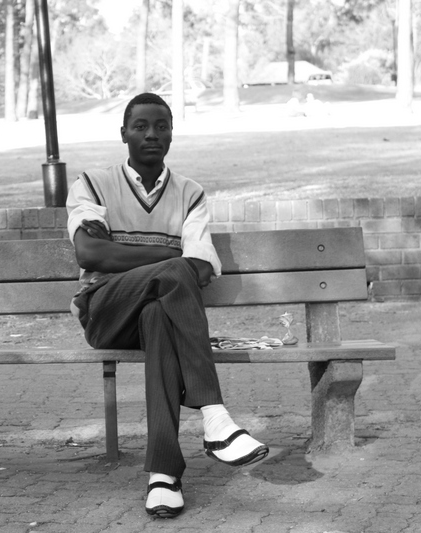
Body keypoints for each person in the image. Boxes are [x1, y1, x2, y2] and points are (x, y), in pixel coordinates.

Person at [66, 93, 269, 519]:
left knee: (158, 316)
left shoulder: (190, 194)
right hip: (105, 312)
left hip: (153, 315)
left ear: (172, 133)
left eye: (162, 126)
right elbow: (91, 254)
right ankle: (214, 416)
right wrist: (170, 259)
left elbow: (200, 267)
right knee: (173, 273)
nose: (152, 134)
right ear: (123, 133)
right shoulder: (92, 183)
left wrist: (143, 257)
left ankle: (163, 476)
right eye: (140, 126)